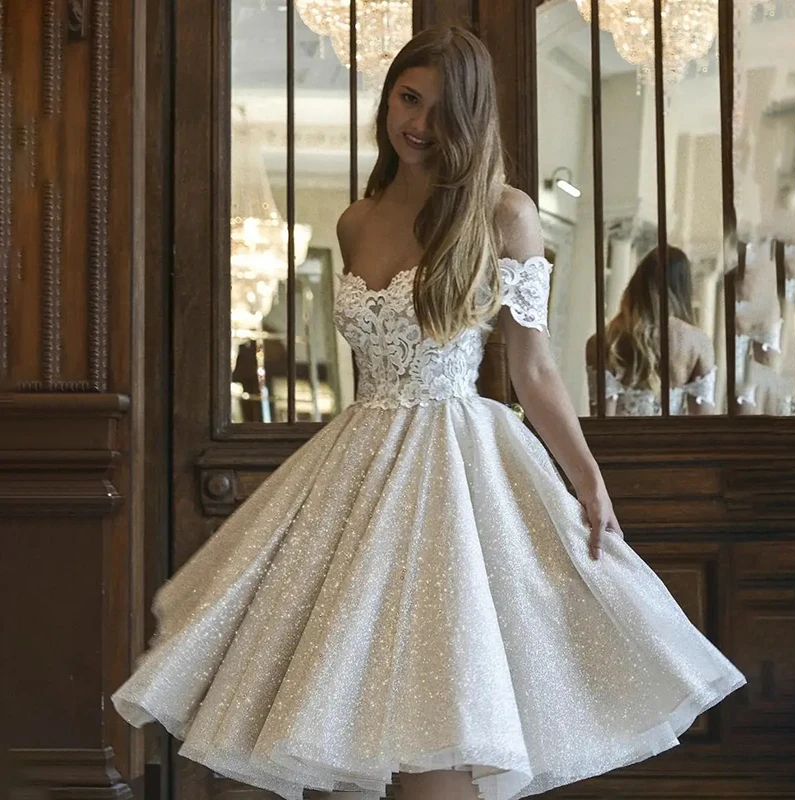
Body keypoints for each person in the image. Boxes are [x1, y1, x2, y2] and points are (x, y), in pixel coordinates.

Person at [112, 26, 745, 800]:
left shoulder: (505, 214)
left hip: (456, 466)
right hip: (356, 464)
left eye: (443, 110)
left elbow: (533, 367)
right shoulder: (354, 221)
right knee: (343, 716)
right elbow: (365, 364)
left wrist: (589, 480)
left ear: (472, 120)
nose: (419, 123)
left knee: (441, 711)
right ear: (388, 98)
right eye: (408, 99)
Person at [586, 246, 717, 416]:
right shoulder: (698, 342)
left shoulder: (604, 339)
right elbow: (702, 425)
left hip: (622, 442)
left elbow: (602, 423)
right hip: (674, 442)